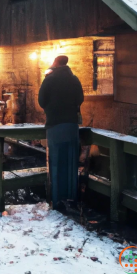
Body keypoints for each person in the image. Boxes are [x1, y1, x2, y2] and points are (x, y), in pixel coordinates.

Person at [38, 55, 84, 209]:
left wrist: (51, 108)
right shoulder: (74, 79)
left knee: (56, 163)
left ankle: (57, 201)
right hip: (71, 125)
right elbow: (80, 99)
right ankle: (72, 198)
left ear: (56, 63)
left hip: (55, 124)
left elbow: (41, 100)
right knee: (72, 162)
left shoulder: (49, 79)